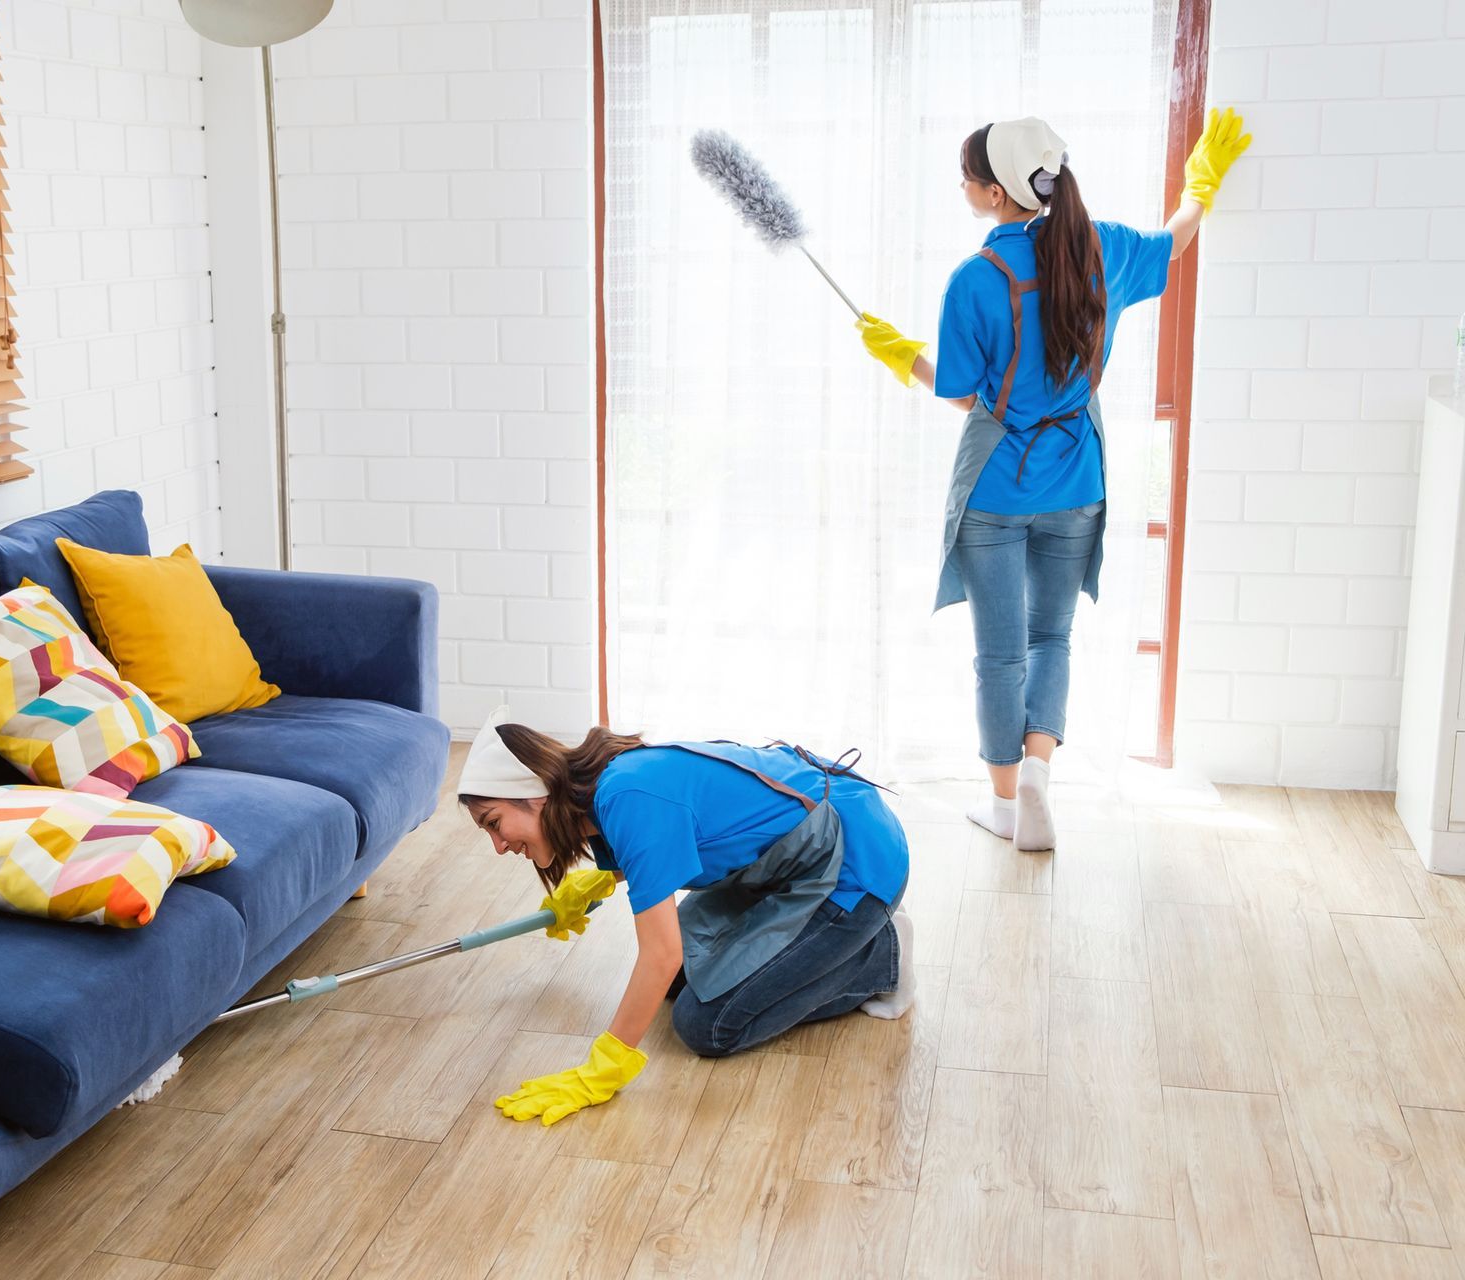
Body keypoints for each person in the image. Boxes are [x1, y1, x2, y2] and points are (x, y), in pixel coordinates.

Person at [853, 110, 1251, 851]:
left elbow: (967, 397)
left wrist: (903, 357)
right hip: (1076, 486)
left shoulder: (973, 280)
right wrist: (1203, 181)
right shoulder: (1099, 249)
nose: (964, 187)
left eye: (969, 178)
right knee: (1052, 638)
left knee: (1000, 653)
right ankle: (1038, 772)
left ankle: (1005, 806)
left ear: (997, 193)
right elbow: (1177, 239)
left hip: (996, 493)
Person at [457, 707, 911, 1126]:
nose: (499, 846)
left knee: (706, 1025)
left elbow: (661, 954)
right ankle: (831, 947)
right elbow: (662, 847)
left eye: (494, 823)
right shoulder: (603, 791)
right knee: (680, 983)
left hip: (854, 865)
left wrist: (604, 1067)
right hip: (777, 863)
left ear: (532, 795)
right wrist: (596, 883)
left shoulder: (627, 797)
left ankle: (879, 954)